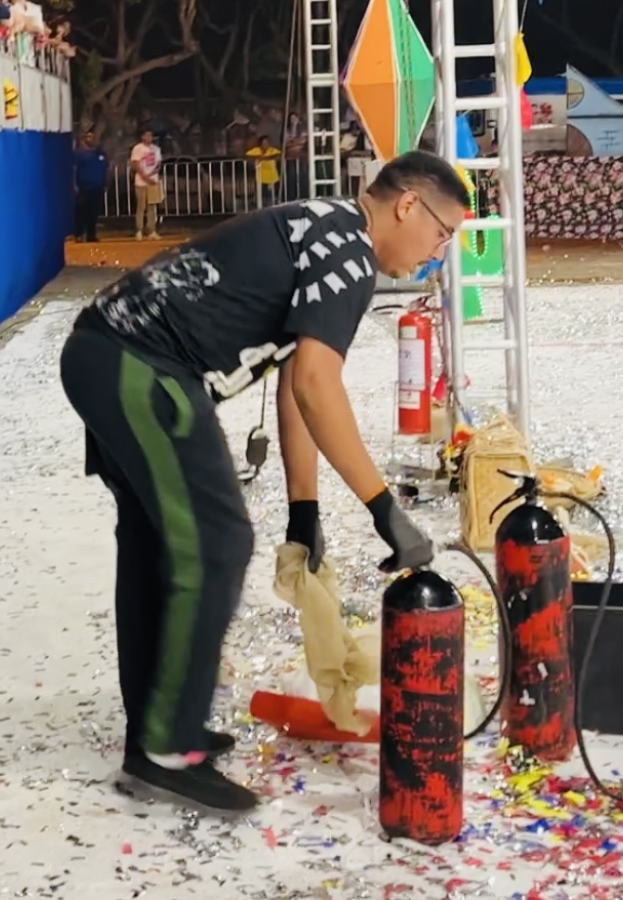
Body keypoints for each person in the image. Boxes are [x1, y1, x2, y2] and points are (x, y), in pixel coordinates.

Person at [58, 150, 469, 811]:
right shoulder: (348, 252)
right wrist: (383, 507)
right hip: (137, 361)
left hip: (111, 353)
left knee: (156, 546)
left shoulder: (330, 228)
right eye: (443, 232)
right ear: (407, 205)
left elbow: (293, 383)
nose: (438, 252)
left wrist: (304, 509)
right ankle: (168, 745)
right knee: (217, 542)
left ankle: (157, 732)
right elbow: (315, 380)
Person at [73, 129, 109, 243]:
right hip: (83, 188)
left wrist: (106, 182)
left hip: (97, 187)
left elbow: (107, 168)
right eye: (88, 137)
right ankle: (78, 234)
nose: (91, 139)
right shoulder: (79, 154)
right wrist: (74, 185)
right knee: (82, 212)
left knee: (94, 213)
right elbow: (74, 170)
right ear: (84, 139)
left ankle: (91, 235)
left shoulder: (101, 153)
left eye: (93, 137)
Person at [130, 128, 162, 240]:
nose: (149, 138)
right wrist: (144, 176)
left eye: (151, 135)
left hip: (153, 181)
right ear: (142, 137)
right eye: (146, 135)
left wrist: (151, 176)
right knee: (141, 206)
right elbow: (135, 164)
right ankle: (139, 230)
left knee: (152, 206)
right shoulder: (137, 148)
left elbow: (158, 165)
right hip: (141, 182)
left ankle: (151, 230)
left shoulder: (156, 149)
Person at [246, 135, 282, 207]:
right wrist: (258, 157)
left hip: (272, 178)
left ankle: (271, 207)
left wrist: (265, 158)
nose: (265, 144)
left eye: (266, 143)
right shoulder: (257, 150)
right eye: (263, 143)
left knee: (271, 195)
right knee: (261, 195)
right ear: (260, 143)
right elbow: (247, 156)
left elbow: (279, 156)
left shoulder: (272, 150)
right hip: (260, 177)